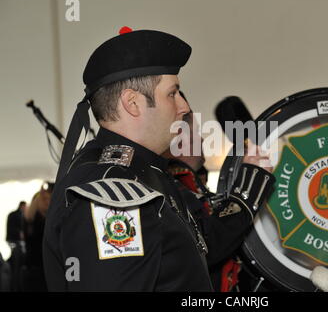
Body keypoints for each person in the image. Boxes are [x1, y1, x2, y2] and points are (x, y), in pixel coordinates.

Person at [43, 27, 273, 292]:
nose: (184, 107)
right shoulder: (113, 196)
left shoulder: (145, 173)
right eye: (172, 93)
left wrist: (249, 186)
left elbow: (200, 247)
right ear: (132, 103)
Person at [163, 98, 274, 291]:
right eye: (197, 133)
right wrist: (251, 179)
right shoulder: (169, 187)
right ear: (178, 140)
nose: (204, 139)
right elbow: (207, 244)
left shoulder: (190, 186)